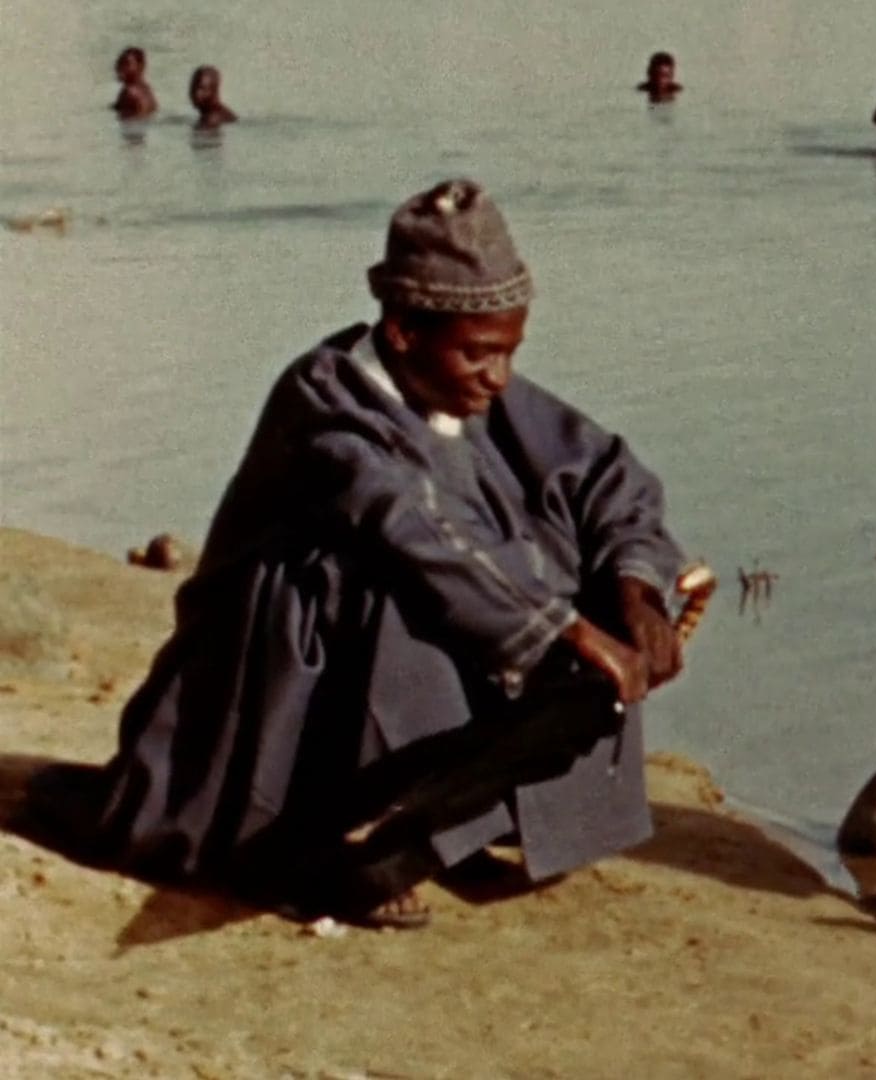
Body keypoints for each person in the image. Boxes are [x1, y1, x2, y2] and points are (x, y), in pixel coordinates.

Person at [77, 179, 688, 930]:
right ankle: (327, 838)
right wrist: (567, 631)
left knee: (567, 550)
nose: (497, 378)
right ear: (401, 333)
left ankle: (459, 817)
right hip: (260, 684)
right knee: (386, 584)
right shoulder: (326, 403)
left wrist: (636, 589)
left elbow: (605, 474)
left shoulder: (473, 388)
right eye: (478, 355)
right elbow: (414, 528)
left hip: (432, 602)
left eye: (508, 354)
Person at [112, 46, 158, 120]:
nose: (120, 68)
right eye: (120, 63)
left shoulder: (128, 93)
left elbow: (127, 121)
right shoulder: (146, 90)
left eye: (126, 64)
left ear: (140, 66)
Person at [189, 65, 238, 130]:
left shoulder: (212, 118)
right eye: (193, 87)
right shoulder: (222, 113)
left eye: (202, 89)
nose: (196, 94)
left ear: (214, 91)